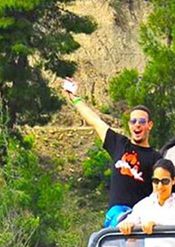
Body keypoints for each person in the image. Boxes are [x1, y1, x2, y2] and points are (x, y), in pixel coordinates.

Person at [62, 78, 161, 226]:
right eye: (133, 121)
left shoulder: (156, 158)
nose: (137, 125)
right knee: (121, 224)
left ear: (149, 125)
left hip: (141, 217)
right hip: (117, 214)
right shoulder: (119, 144)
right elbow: (95, 121)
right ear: (129, 125)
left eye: (141, 122)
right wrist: (75, 99)